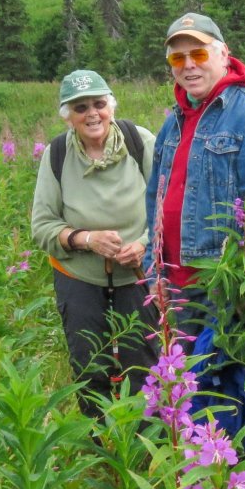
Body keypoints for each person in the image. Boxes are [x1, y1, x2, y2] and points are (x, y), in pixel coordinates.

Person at [142, 12, 245, 334]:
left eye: (199, 53)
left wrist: (241, 289)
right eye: (178, 57)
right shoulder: (173, 122)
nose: (188, 65)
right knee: (183, 382)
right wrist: (153, 275)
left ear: (224, 54)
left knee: (220, 383)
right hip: (174, 289)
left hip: (220, 289)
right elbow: (155, 201)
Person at [31, 69, 158, 419]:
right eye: (80, 106)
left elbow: (167, 207)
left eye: (99, 104)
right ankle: (102, 447)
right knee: (89, 366)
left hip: (138, 274)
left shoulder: (140, 141)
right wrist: (87, 240)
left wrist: (145, 244)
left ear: (111, 107)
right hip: (79, 278)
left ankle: (149, 442)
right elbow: (42, 227)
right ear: (68, 116)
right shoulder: (57, 154)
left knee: (144, 363)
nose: (92, 113)